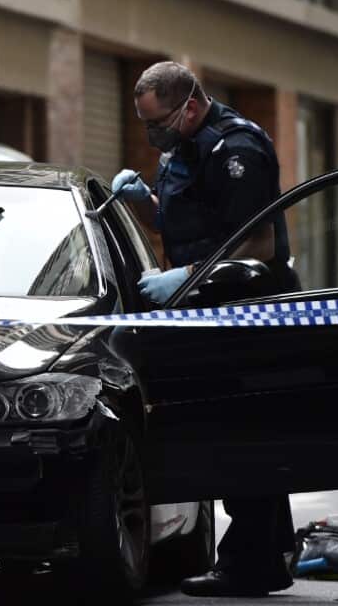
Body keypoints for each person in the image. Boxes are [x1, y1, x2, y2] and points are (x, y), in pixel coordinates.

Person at [111, 61, 295, 598]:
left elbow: (256, 243)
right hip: (205, 312)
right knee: (228, 435)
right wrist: (144, 204)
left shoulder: (236, 150)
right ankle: (264, 554)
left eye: (158, 123)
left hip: (244, 312)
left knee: (245, 434)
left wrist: (186, 277)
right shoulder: (184, 148)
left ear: (189, 106)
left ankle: (252, 561)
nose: (152, 135)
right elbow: (184, 224)